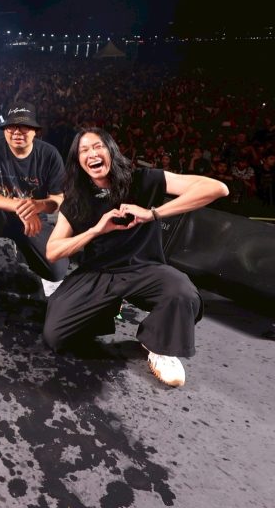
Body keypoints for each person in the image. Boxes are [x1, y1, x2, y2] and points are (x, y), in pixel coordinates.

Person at [43, 127, 229, 387]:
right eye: (84, 150)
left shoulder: (143, 179)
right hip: (99, 273)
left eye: (98, 146)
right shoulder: (76, 199)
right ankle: (106, 307)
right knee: (56, 335)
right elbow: (53, 251)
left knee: (182, 293)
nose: (92, 153)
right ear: (78, 161)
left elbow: (217, 188)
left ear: (111, 151)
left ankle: (159, 345)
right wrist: (96, 230)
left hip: (145, 268)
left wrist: (153, 213)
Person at [0, 102, 69, 322]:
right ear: (5, 129)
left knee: (57, 270)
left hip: (33, 220)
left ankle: (24, 246)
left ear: (35, 131)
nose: (16, 132)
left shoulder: (49, 155)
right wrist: (21, 206)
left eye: (24, 127)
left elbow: (57, 200)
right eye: (11, 127)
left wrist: (38, 206)